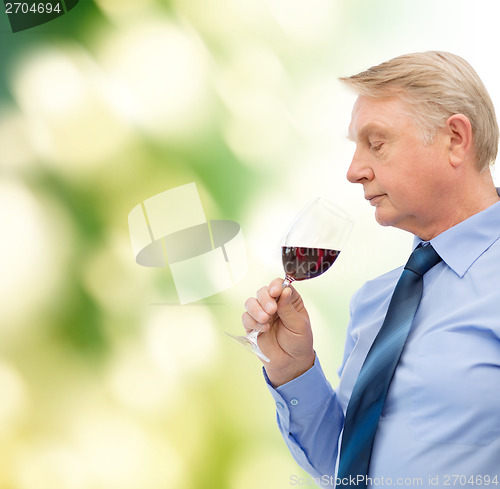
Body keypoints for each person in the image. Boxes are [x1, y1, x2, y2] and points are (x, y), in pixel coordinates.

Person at [242, 51, 500, 488]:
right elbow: (344, 469)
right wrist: (294, 369)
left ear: (455, 139)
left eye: (376, 143)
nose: (353, 171)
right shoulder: (375, 303)